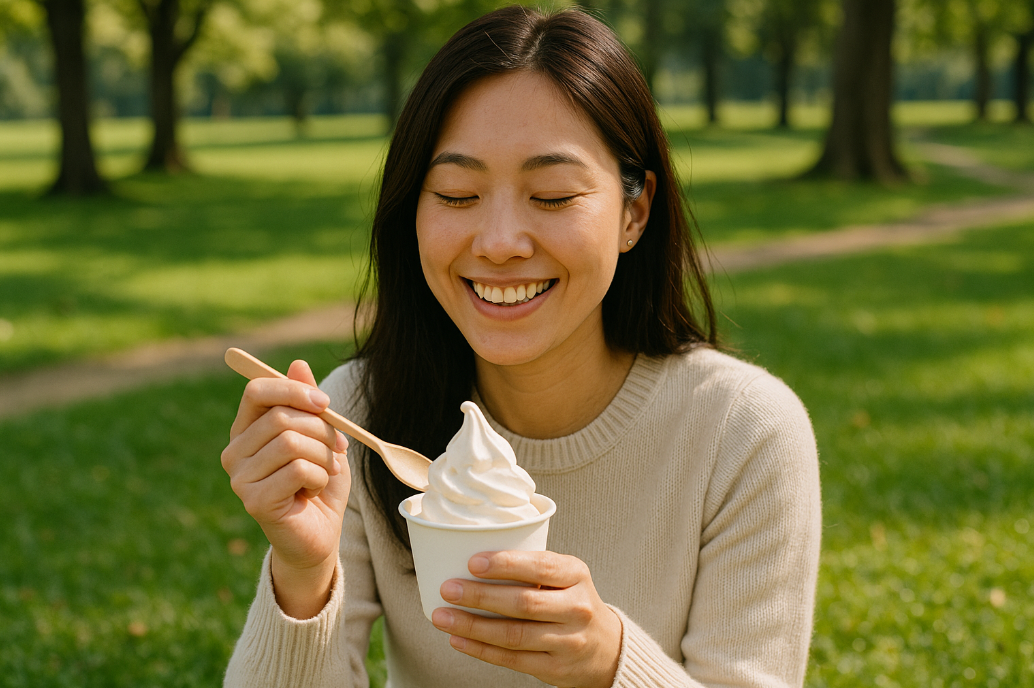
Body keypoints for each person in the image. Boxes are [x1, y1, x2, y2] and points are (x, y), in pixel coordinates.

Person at [220, 6, 821, 688]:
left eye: (553, 195)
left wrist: (609, 662)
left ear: (634, 211)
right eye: (457, 193)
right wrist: (303, 573)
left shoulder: (741, 434)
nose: (500, 241)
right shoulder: (356, 414)